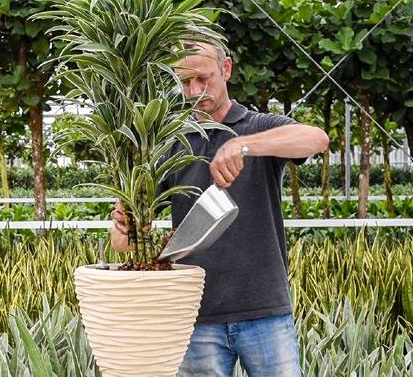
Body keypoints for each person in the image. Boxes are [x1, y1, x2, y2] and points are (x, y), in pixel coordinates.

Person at [110, 41, 329, 376]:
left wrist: (243, 145)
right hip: (197, 317)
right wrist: (123, 224)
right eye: (184, 82)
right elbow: (124, 244)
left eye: (203, 78)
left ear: (225, 69)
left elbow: (316, 139)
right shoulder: (171, 145)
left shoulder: (257, 126)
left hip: (265, 310)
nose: (195, 91)